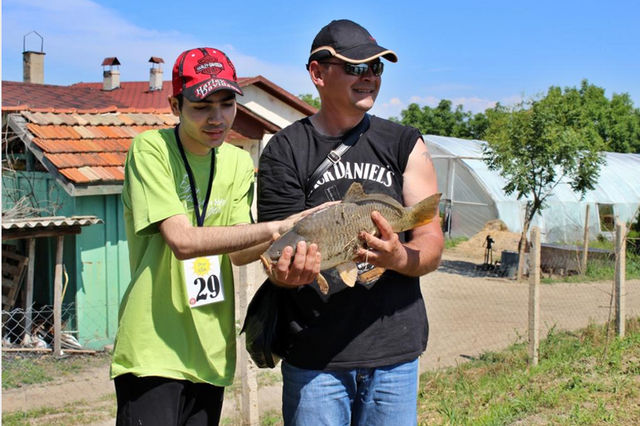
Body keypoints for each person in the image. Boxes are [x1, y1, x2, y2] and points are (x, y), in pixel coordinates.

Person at [110, 47, 324, 426]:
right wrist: (278, 226)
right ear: (175, 105)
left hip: (211, 350)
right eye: (201, 105)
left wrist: (303, 231)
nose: (217, 118)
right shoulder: (151, 150)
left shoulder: (239, 161)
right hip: (153, 348)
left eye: (227, 104)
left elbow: (242, 252)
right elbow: (182, 242)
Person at [257, 20, 444, 425]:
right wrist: (287, 275)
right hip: (315, 359)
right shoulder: (284, 151)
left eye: (376, 68)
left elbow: (430, 241)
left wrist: (398, 257)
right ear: (318, 73)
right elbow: (277, 252)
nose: (369, 78)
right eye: (356, 68)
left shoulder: (405, 142)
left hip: (395, 355)